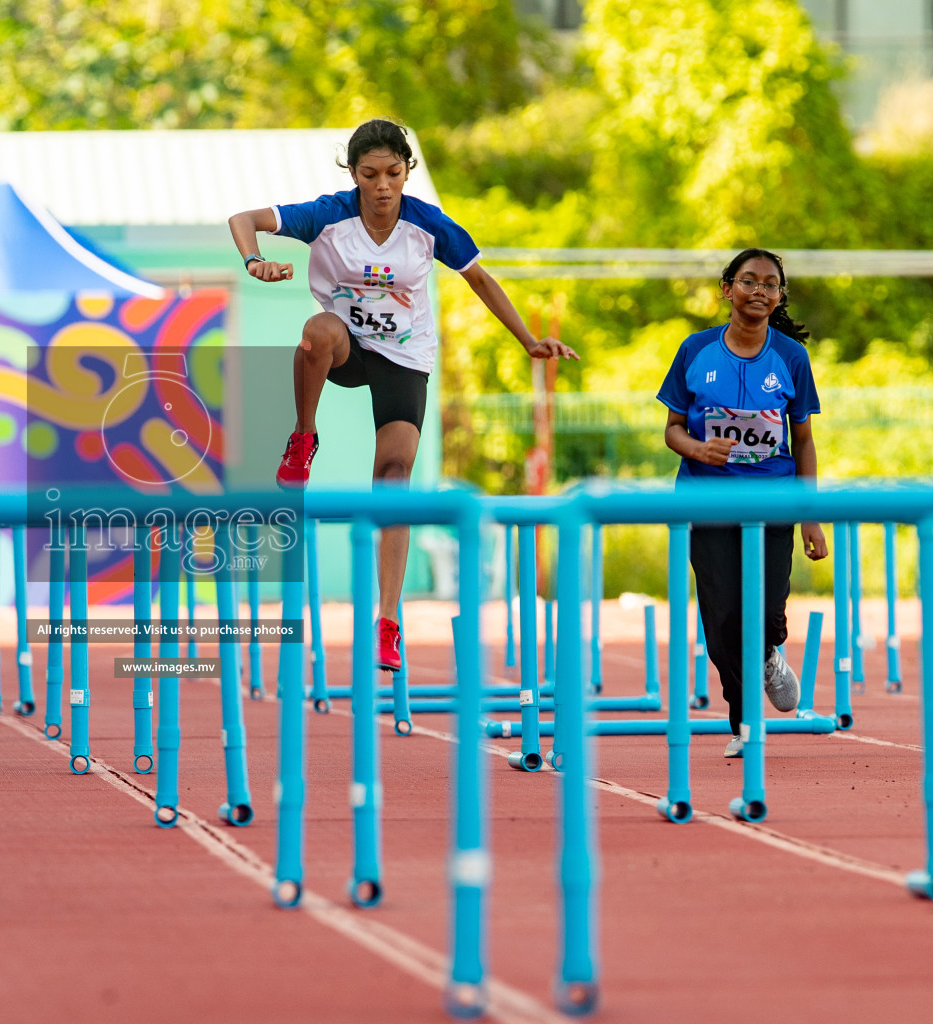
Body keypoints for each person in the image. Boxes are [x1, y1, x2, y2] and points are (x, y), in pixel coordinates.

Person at [228, 117, 579, 670]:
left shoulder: (428, 224)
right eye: (370, 174)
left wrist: (529, 341)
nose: (383, 185)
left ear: (407, 171)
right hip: (345, 346)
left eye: (394, 173)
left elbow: (481, 280)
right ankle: (303, 437)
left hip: (403, 357)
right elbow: (242, 218)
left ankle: (388, 621)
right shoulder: (326, 214)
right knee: (316, 332)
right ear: (354, 174)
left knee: (393, 480)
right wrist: (254, 260)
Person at [657, 248, 829, 756]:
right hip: (707, 498)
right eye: (748, 281)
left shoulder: (791, 359)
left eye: (770, 284)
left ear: (779, 297)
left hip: (772, 498)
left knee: (765, 613)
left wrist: (810, 518)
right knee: (721, 616)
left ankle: (771, 650)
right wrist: (697, 447)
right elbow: (671, 429)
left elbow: (804, 442)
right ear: (727, 288)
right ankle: (743, 721)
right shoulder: (695, 349)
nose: (759, 290)